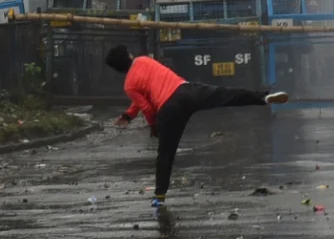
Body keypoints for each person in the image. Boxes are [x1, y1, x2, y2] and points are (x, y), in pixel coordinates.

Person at [105, 46, 289, 207]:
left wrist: (153, 125)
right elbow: (146, 90)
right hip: (186, 91)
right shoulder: (144, 60)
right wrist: (129, 114)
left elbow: (145, 105)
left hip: (168, 110)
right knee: (227, 95)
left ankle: (159, 196)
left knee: (166, 154)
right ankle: (263, 97)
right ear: (128, 55)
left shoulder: (129, 85)